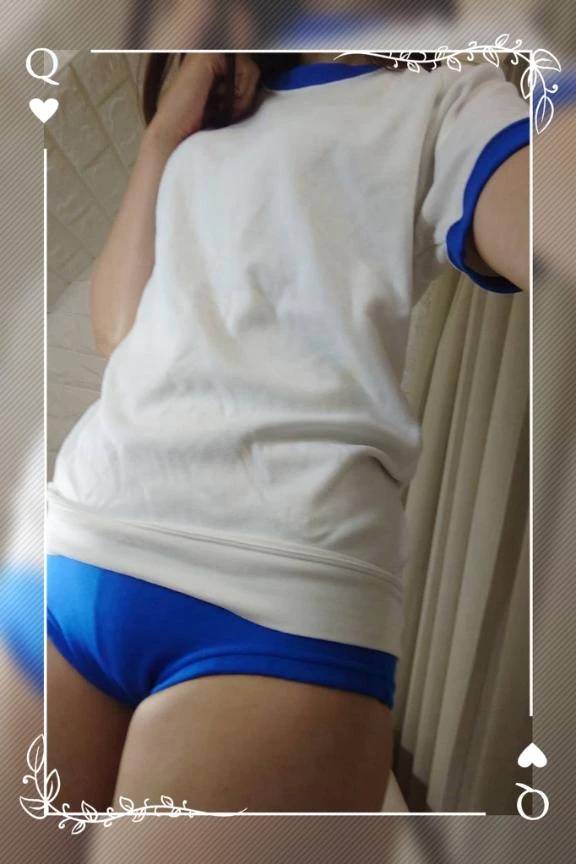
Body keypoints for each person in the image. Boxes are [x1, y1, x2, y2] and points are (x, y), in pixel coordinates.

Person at [46, 51, 529, 814]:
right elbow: (119, 328)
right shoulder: (214, 106)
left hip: (278, 603)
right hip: (79, 548)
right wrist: (164, 136)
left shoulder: (448, 100)